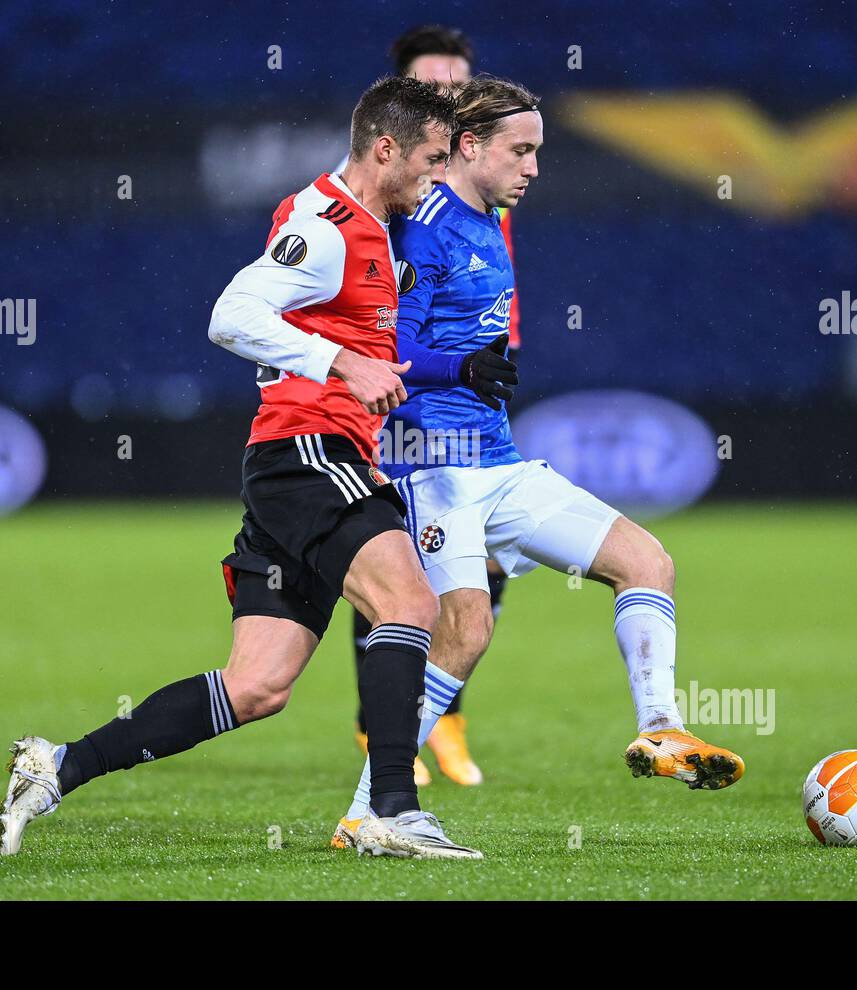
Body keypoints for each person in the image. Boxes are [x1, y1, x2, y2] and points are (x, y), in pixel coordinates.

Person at [0, 76, 480, 860]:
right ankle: (391, 809)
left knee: (256, 687)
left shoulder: (374, 231)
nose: (434, 175)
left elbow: (359, 348)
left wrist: (437, 370)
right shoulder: (329, 225)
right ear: (384, 148)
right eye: (428, 158)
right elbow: (230, 316)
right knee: (410, 602)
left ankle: (56, 766)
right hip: (309, 452)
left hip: (299, 462)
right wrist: (343, 364)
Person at [337, 76, 745, 857]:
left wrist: (470, 373)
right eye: (520, 151)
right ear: (468, 146)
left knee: (646, 561)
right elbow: (383, 352)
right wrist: (457, 368)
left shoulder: (489, 219)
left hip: (498, 459)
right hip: (431, 464)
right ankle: (369, 809)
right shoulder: (423, 229)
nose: (533, 168)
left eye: (538, 152)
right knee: (465, 627)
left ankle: (660, 732)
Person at [348, 24, 522, 790]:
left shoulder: (486, 174)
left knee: (483, 564)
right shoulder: (391, 183)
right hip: (401, 387)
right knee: (394, 566)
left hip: (471, 384)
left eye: (460, 80)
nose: (450, 93)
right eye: (434, 83)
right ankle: (380, 726)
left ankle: (441, 715)